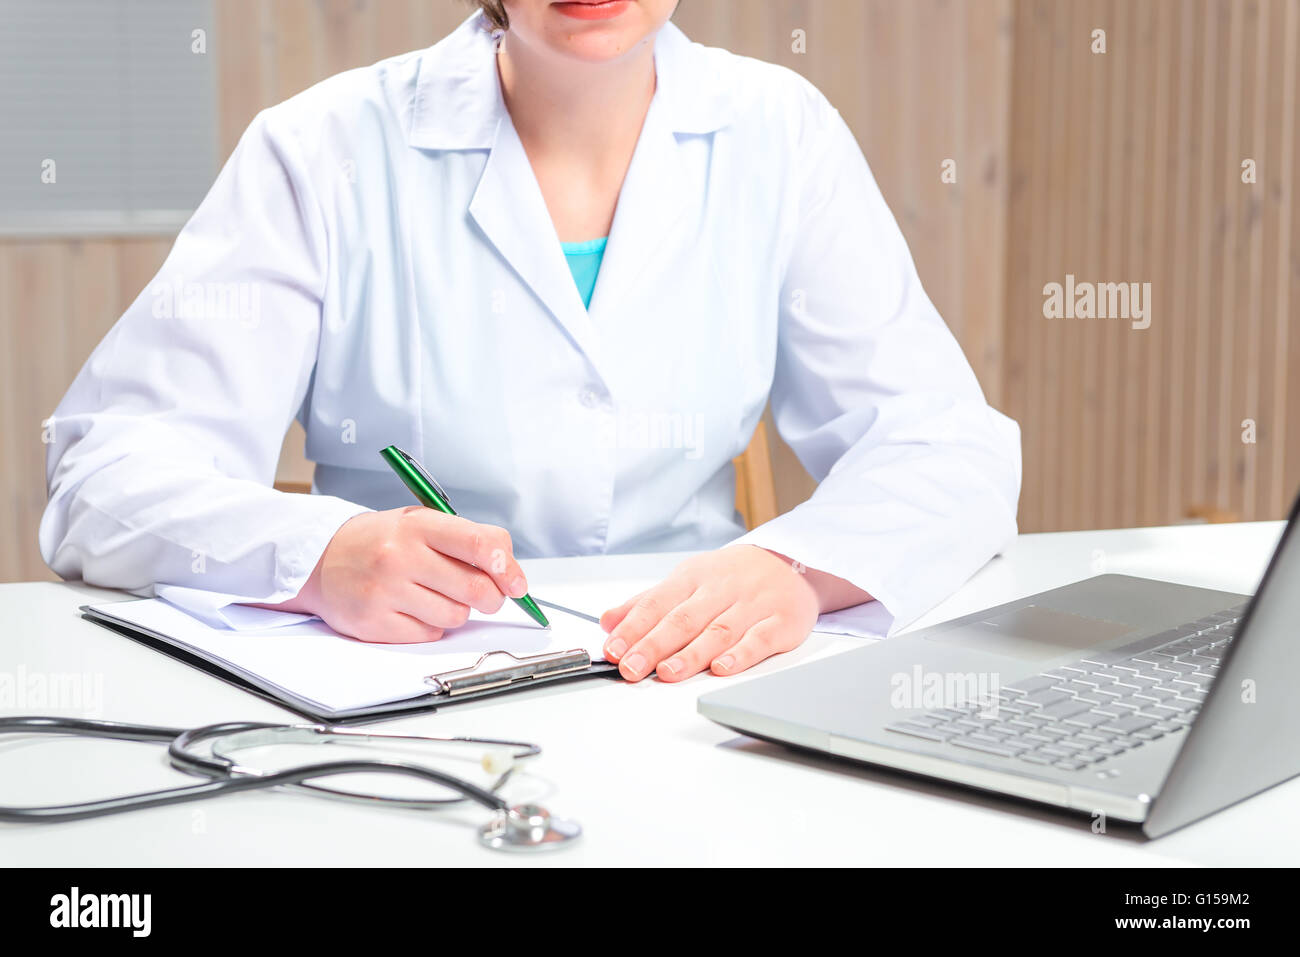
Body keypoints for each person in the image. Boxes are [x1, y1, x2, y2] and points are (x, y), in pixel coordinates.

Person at [40, 0, 1021, 684]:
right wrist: (319, 554)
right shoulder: (322, 148)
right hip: (404, 694)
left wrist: (798, 567)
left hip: (695, 688)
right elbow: (108, 472)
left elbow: (940, 441)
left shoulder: (780, 131)